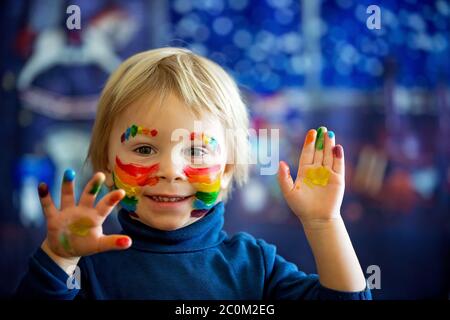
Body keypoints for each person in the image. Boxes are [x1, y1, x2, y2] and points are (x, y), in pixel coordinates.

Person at [16, 47, 371, 299]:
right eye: (143, 149)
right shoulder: (85, 272)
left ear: (228, 169)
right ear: (108, 165)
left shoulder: (255, 266)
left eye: (196, 150)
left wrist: (324, 222)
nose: (170, 170)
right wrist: (59, 258)